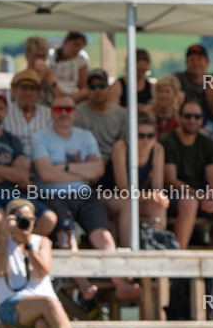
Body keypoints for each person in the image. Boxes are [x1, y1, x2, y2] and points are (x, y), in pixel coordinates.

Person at [31, 95, 141, 305]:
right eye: (59, 109)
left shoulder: (85, 136)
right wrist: (81, 170)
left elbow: (98, 170)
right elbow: (45, 174)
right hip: (51, 195)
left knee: (104, 236)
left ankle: (120, 285)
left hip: (83, 194)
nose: (64, 113)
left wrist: (62, 168)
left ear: (75, 113)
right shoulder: (40, 136)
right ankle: (84, 285)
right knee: (67, 237)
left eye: (68, 109)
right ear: (52, 113)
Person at [0, 198, 100, 328]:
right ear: (10, 220)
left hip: (45, 309)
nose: (25, 223)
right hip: (11, 305)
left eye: (28, 219)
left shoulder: (42, 242)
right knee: (49, 302)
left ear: (34, 221)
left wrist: (27, 245)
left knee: (43, 324)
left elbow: (42, 271)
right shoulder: (2, 241)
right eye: (19, 219)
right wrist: (7, 236)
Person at [0, 91, 57, 244]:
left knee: (49, 218)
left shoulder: (13, 140)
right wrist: (11, 171)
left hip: (12, 192)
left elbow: (23, 177)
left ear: (6, 112)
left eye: (1, 108)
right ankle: (5, 257)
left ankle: (20, 252)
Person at [161, 100, 213, 249]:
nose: (192, 120)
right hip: (176, 195)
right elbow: (170, 180)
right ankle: (177, 259)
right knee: (189, 203)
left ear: (202, 119)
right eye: (187, 116)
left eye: (197, 117)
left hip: (202, 196)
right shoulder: (167, 141)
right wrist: (199, 196)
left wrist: (211, 197)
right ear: (179, 117)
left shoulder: (207, 143)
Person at [105, 112, 170, 247]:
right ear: (131, 136)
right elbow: (123, 190)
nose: (145, 140)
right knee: (128, 204)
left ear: (156, 136)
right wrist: (150, 196)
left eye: (150, 136)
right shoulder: (121, 147)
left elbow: (157, 187)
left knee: (159, 204)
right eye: (140, 136)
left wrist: (158, 197)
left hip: (136, 197)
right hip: (108, 194)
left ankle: (154, 245)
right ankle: (129, 251)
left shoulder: (157, 149)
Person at [74, 69, 128, 165]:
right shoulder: (77, 113)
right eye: (92, 87)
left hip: (115, 163)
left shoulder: (120, 113)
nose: (97, 90)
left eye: (102, 86)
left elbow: (124, 142)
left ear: (109, 88)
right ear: (87, 89)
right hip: (88, 162)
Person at [4, 69, 52, 158]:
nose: (28, 92)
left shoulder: (48, 114)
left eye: (32, 89)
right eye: (24, 88)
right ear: (15, 91)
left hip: (43, 161)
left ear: (38, 93)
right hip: (13, 161)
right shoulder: (5, 113)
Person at [47, 31, 90, 102]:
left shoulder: (81, 58)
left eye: (80, 47)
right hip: (50, 95)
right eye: (75, 44)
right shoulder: (50, 55)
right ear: (66, 41)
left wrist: (70, 99)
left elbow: (83, 88)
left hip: (70, 97)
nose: (77, 49)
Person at [21, 35, 61, 106]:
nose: (42, 59)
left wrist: (50, 78)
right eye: (38, 56)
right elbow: (26, 102)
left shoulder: (49, 74)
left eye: (44, 56)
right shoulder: (20, 77)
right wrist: (39, 78)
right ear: (27, 57)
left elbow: (61, 98)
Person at [175, 43, 209, 108]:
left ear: (207, 63)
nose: (196, 63)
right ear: (186, 63)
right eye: (192, 60)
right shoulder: (177, 80)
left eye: (199, 59)